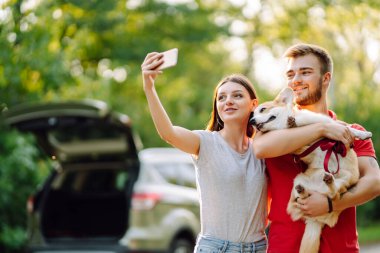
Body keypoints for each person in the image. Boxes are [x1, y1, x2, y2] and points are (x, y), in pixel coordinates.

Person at [253, 43, 380, 253]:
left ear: (326, 78)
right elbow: (259, 149)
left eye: (305, 72)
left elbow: (375, 181)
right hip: (284, 248)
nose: (296, 80)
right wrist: (322, 128)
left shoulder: (351, 132)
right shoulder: (270, 130)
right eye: (291, 74)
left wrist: (331, 204)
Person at [141, 52, 268, 253]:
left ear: (254, 104)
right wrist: (149, 86)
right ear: (217, 106)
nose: (228, 101)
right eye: (222, 97)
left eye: (237, 95)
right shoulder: (206, 142)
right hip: (216, 248)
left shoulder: (262, 149)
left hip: (258, 248)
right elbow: (168, 133)